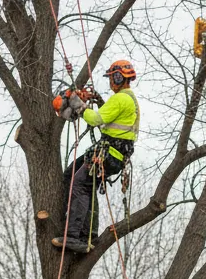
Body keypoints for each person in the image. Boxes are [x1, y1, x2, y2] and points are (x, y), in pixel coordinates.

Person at [51, 58, 140, 254]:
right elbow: (105, 120)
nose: (110, 82)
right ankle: (87, 233)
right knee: (71, 175)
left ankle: (75, 236)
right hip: (109, 152)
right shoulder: (125, 99)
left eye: (112, 78)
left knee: (80, 183)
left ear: (119, 77)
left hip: (109, 154)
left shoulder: (122, 99)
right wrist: (93, 101)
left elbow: (95, 118)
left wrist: (78, 104)